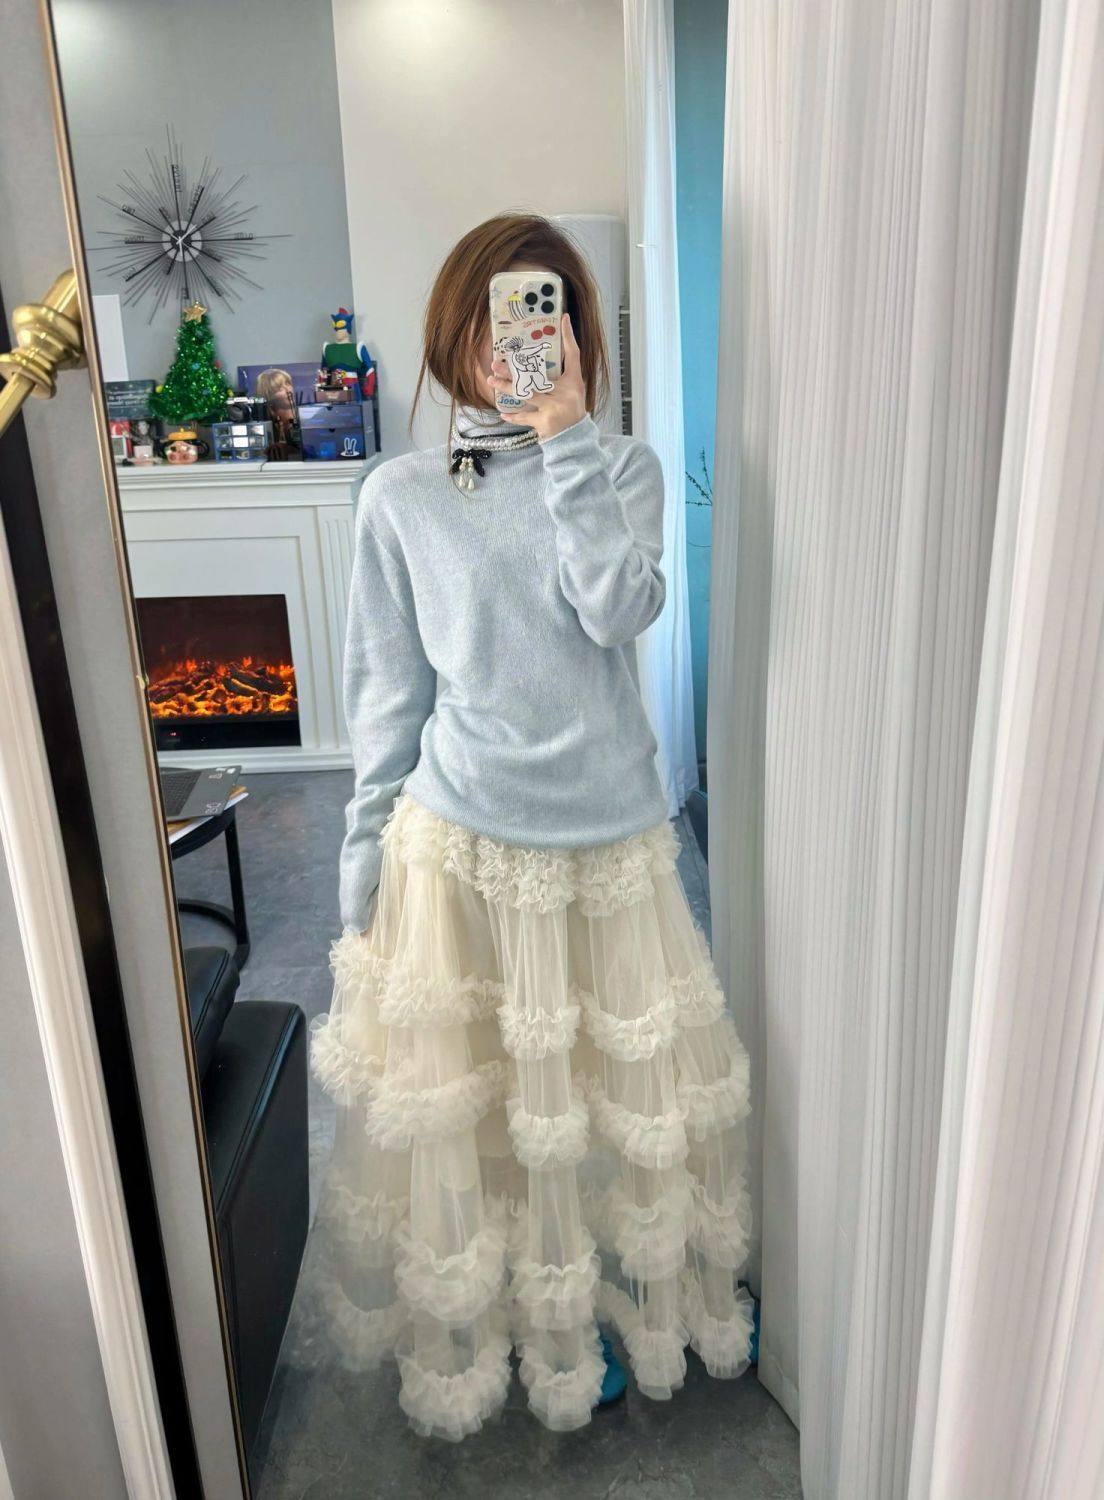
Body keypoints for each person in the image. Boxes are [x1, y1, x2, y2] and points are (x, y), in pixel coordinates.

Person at [308, 213, 753, 1439]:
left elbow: (616, 613)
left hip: (609, 846)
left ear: (579, 335)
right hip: (458, 846)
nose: (524, 342)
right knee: (489, 1107)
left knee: (611, 1097)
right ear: (456, 329)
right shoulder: (399, 496)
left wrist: (567, 444)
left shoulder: (625, 472)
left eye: (549, 317)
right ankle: (525, 1321)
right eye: (502, 316)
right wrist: (363, 873)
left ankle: (608, 1300)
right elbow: (387, 694)